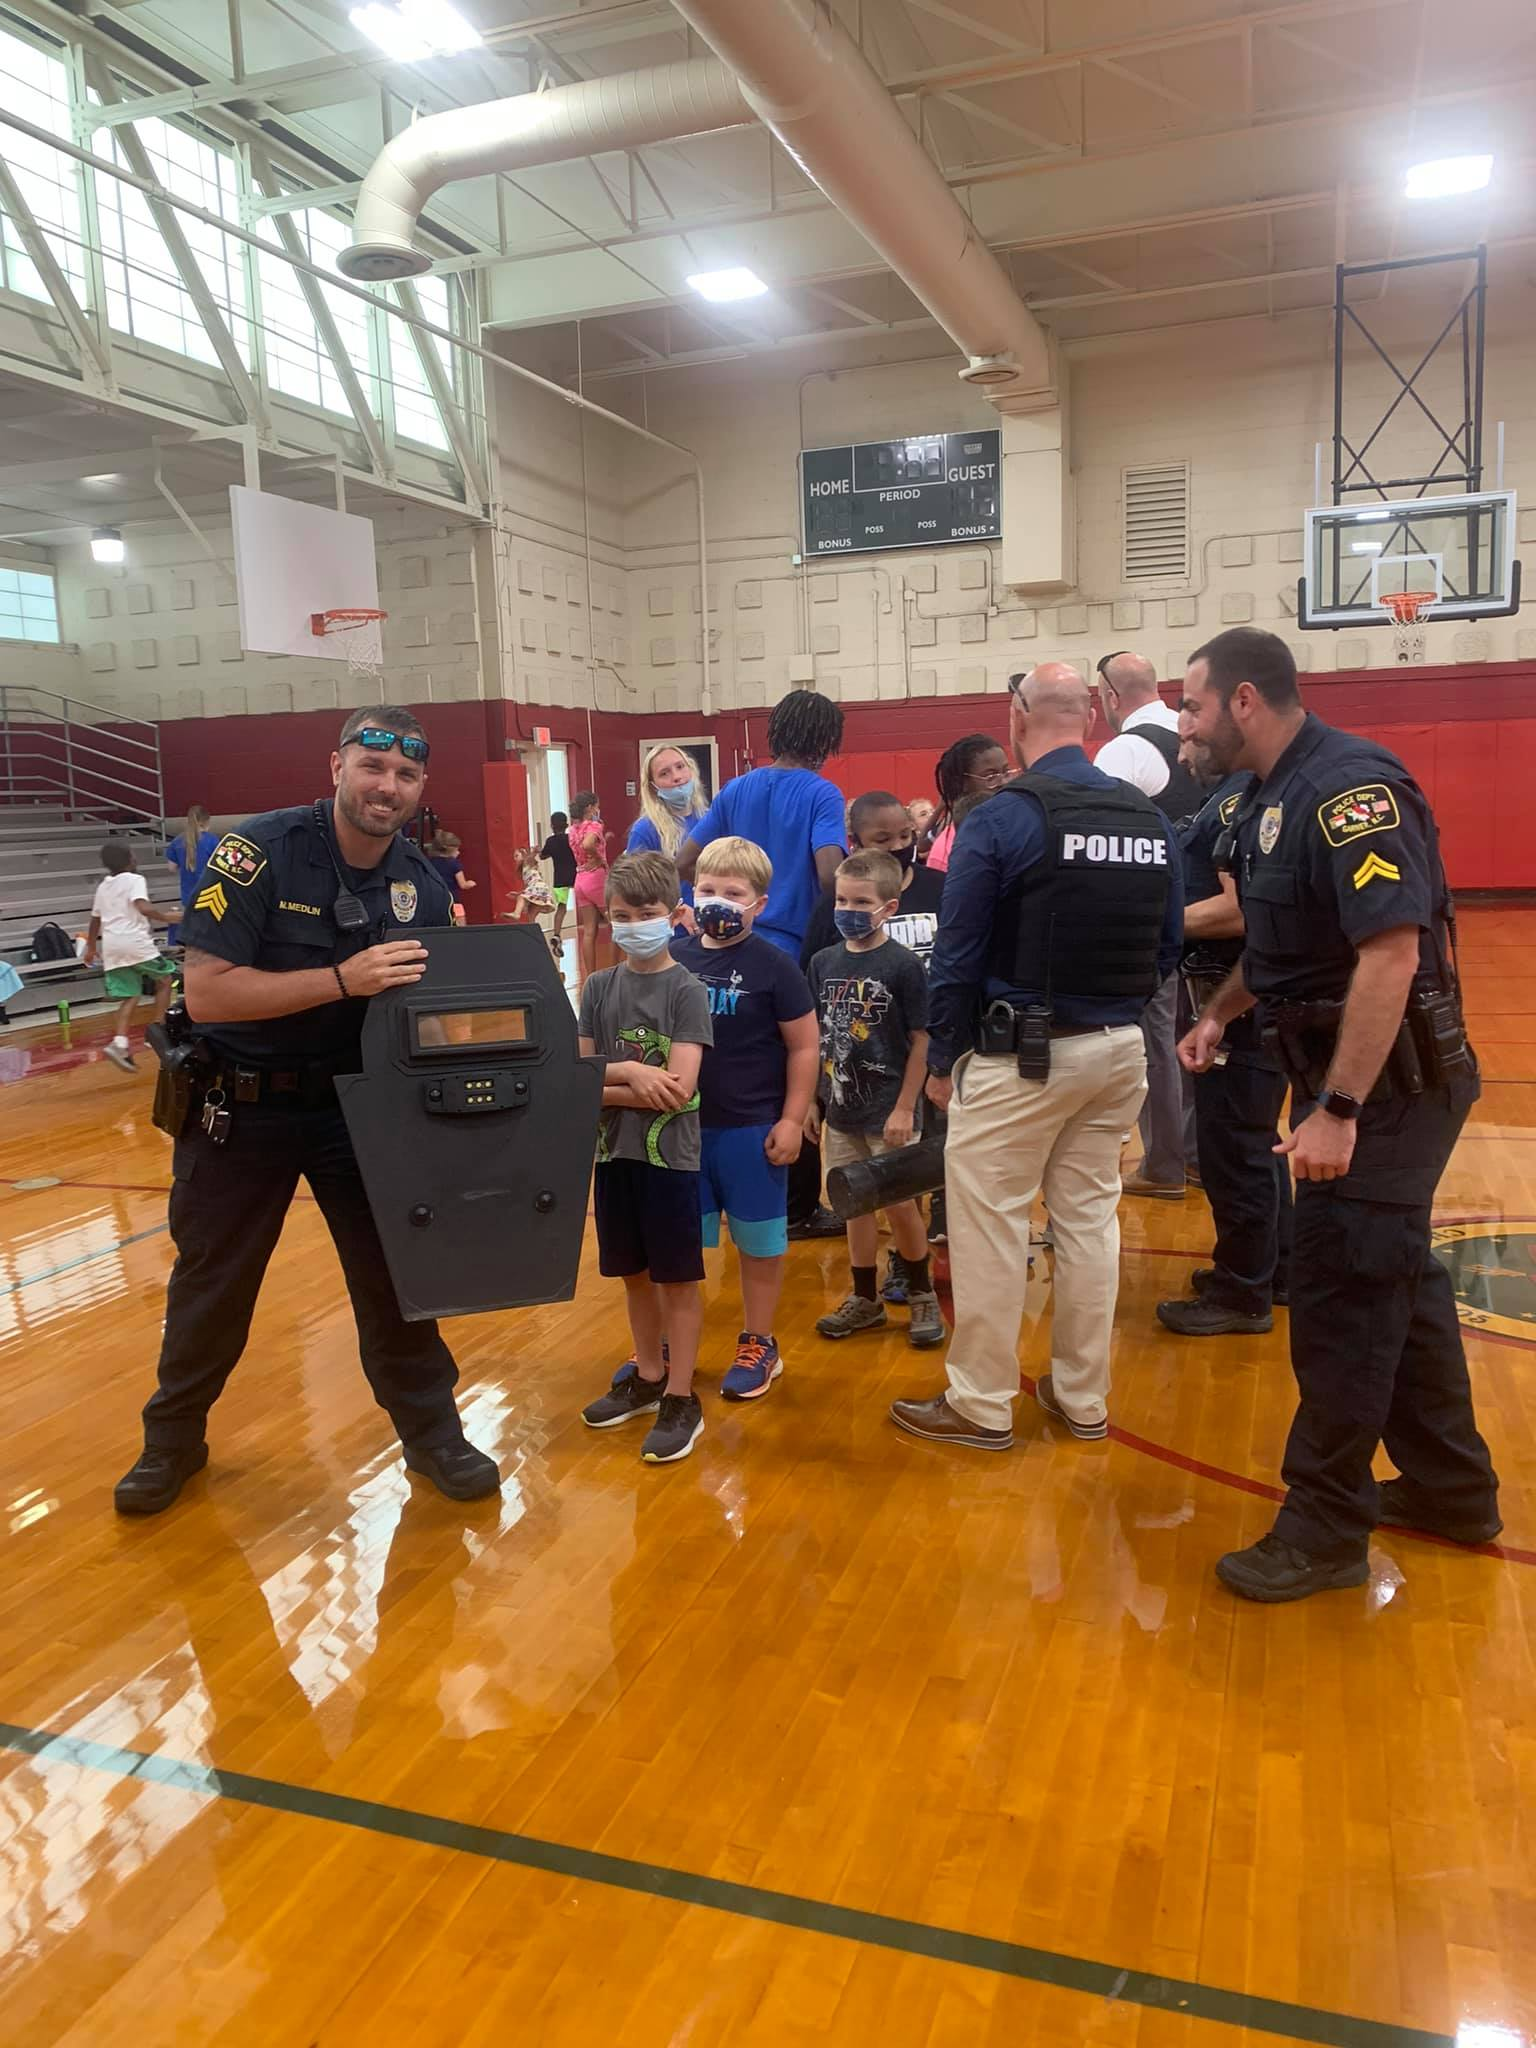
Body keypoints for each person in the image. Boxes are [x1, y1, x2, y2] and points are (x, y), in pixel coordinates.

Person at [112, 707, 501, 1516]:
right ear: (336, 768)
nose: (385, 787)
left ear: (420, 786)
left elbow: (440, 1013)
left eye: (403, 776)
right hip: (241, 1109)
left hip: (363, 1111)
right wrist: (340, 981)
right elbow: (211, 990)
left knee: (399, 1282)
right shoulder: (258, 853)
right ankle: (172, 1441)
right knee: (212, 1289)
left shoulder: (423, 884)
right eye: (371, 767)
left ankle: (433, 1437)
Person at [1178, 627, 1500, 1602]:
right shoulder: (1268, 798)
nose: (1183, 726)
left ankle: (1323, 1526)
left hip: (1387, 1090)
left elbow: (1390, 953)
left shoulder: (1349, 788)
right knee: (1396, 1280)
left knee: (1341, 1295)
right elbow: (1284, 946)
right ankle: (1453, 1488)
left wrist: (1339, 1108)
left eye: (1192, 706)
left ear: (1242, 700)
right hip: (1339, 1079)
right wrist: (1221, 1012)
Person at [889, 664, 1182, 1452]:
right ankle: (1083, 1399)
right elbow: (1168, 945)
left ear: (1016, 715)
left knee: (990, 1225)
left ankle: (981, 1403)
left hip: (1022, 1054)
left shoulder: (1001, 817)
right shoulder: (1147, 818)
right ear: (1091, 715)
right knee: (1090, 1223)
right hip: (1120, 1052)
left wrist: (944, 1060)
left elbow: (957, 955)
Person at [663, 835, 819, 1399]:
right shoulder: (673, 958)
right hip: (680, 1130)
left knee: (758, 1246)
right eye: (707, 889)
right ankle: (669, 1343)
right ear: (691, 891)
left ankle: (759, 1341)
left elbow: (804, 1047)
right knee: (677, 1246)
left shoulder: (776, 966)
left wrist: (792, 1118)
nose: (718, 900)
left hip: (752, 1129)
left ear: (760, 903)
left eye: (734, 892)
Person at [577, 850, 714, 1464]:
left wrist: (606, 1086)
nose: (635, 923)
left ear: (675, 915)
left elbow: (678, 1090)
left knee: (677, 1278)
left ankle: (682, 1395)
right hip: (613, 1157)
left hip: (671, 1161)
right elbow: (575, 1082)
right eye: (622, 914)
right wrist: (633, 1072)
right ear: (608, 918)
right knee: (632, 1274)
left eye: (648, 912)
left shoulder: (686, 989)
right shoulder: (597, 989)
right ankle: (649, 1376)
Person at [1155, 735, 1292, 1337]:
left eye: (1189, 732)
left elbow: (1240, 911)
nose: (1182, 753)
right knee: (1251, 1144)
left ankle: (1243, 1293)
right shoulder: (1237, 797)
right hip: (1240, 995)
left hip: (1239, 999)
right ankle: (1271, 1270)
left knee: (1234, 1147)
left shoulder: (1243, 801)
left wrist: (1155, 922)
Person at [800, 789, 949, 1271]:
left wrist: (908, 1102)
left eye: (906, 836)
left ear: (889, 906)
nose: (848, 908)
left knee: (902, 1196)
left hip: (897, 1094)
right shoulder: (824, 959)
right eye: (843, 899)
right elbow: (814, 1032)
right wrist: (810, 1099)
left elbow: (922, 1034)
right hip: (842, 1106)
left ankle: (917, 1280)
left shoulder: (905, 964)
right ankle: (865, 1292)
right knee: (853, 1201)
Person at [1094, 652, 1201, 1201]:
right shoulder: (1197, 737)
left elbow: (1102, 837)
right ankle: (1197, 1153)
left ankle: (1163, 1162)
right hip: (1217, 913)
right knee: (1203, 1032)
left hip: (1156, 919)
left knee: (1154, 1039)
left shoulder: (1126, 748)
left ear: (1110, 697)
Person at [676, 689, 846, 956]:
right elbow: (830, 877)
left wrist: (722, 900)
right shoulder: (823, 794)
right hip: (795, 946)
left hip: (733, 938)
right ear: (825, 741)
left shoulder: (734, 789)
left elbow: (685, 862)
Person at [84, 840, 180, 1072]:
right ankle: (158, 1031)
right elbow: (143, 907)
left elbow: (95, 919)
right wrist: (167, 918)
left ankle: (120, 1043)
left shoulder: (103, 887)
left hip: (112, 948)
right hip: (135, 943)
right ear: (129, 859)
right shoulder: (135, 880)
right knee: (166, 979)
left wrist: (90, 948)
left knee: (131, 996)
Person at [626, 743, 709, 910]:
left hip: (712, 926)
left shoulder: (710, 819)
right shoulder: (645, 830)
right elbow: (636, 890)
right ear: (653, 786)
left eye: (680, 767)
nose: (677, 777)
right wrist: (678, 911)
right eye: (664, 773)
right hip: (673, 930)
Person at [925, 735, 1010, 874]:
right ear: (962, 782)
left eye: (1006, 772)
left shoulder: (1020, 823)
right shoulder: (945, 850)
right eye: (991, 776)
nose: (1004, 782)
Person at [568, 791, 611, 985]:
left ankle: (590, 976)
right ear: (589, 808)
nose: (598, 810)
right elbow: (588, 844)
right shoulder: (594, 825)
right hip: (596, 878)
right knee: (616, 924)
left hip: (580, 878)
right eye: (596, 806)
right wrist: (599, 858)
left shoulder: (573, 829)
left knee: (588, 931)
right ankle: (616, 969)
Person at [164, 805, 217, 947]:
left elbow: (171, 868)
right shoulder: (212, 841)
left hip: (188, 893)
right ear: (206, 822)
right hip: (209, 893)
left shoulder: (177, 842)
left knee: (192, 928)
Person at [504, 844, 562, 956]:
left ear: (523, 855)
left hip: (539, 888)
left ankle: (516, 914)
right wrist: (517, 894)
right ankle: (537, 942)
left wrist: (534, 852)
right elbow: (528, 889)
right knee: (531, 918)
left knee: (522, 899)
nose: (515, 859)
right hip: (538, 889)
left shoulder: (527, 863)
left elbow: (530, 858)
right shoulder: (524, 870)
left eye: (516, 856)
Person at [541, 810, 576, 955]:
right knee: (584, 904)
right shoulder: (571, 838)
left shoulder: (550, 841)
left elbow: (543, 856)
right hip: (575, 876)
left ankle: (557, 934)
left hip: (559, 879)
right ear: (567, 825)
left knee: (561, 907)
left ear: (552, 826)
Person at [425, 830, 476, 924]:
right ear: (449, 850)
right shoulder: (454, 864)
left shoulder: (429, 862)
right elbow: (463, 884)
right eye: (457, 850)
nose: (458, 853)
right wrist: (471, 883)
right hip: (453, 899)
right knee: (460, 918)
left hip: (435, 899)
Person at [907, 795, 936, 860]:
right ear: (912, 825)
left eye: (933, 812)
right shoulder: (908, 845)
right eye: (923, 814)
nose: (931, 815)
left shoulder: (944, 833)